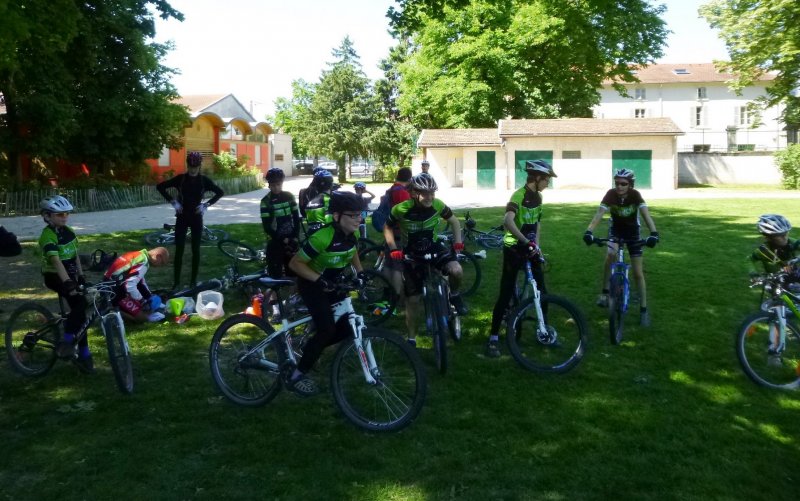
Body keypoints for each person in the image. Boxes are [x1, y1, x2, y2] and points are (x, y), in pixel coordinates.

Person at [287, 191, 367, 396]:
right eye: (354, 215)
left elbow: (352, 252)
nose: (360, 219)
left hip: (332, 283)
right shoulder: (322, 238)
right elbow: (295, 263)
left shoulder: (353, 234)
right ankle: (297, 374)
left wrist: (360, 273)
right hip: (311, 284)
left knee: (348, 327)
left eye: (360, 214)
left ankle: (311, 347)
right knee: (327, 330)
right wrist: (319, 279)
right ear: (338, 216)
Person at [383, 172, 465, 347]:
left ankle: (455, 296)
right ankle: (411, 338)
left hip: (435, 248)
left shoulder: (438, 205)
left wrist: (458, 242)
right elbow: (387, 228)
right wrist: (393, 249)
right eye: (425, 193)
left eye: (432, 193)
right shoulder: (401, 209)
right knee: (413, 300)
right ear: (414, 193)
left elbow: (455, 222)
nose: (430, 197)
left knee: (456, 270)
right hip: (412, 254)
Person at [486, 160, 556, 358]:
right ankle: (493, 338)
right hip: (514, 249)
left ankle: (544, 330)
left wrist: (537, 246)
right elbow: (507, 221)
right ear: (537, 178)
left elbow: (537, 223)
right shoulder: (518, 195)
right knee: (506, 294)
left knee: (542, 290)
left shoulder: (539, 197)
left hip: (530, 248)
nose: (548, 183)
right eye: (547, 179)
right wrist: (526, 241)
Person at [583, 168, 659, 327]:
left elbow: (646, 214)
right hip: (616, 230)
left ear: (630, 184)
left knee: (638, 273)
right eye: (617, 183)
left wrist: (654, 233)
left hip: (633, 232)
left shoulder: (635, 195)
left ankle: (643, 310)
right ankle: (604, 293)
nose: (619, 186)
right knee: (611, 254)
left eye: (623, 183)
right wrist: (589, 231)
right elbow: (599, 213)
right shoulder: (610, 194)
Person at [37, 195, 93, 373]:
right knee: (80, 304)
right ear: (47, 216)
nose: (64, 217)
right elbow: (56, 262)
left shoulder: (68, 231)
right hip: (54, 276)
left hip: (69, 275)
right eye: (60, 214)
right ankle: (68, 342)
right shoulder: (47, 236)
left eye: (66, 214)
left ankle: (83, 352)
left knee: (81, 314)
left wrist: (81, 276)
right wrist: (68, 282)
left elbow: (75, 255)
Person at [156, 151, 224, 290]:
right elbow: (160, 187)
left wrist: (206, 205)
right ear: (187, 165)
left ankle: (193, 281)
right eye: (191, 167)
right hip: (182, 217)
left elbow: (220, 192)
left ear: (199, 166)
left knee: (195, 250)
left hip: (196, 218)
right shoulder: (181, 179)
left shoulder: (204, 180)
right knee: (179, 250)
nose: (193, 169)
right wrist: (173, 202)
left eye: (195, 167)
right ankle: (176, 283)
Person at [104, 247, 170, 323]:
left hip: (109, 285)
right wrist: (142, 301)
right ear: (158, 256)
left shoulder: (139, 255)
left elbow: (140, 281)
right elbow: (130, 285)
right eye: (162, 263)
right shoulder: (143, 262)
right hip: (113, 291)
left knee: (145, 304)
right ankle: (113, 310)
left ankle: (115, 308)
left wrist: (148, 296)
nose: (160, 266)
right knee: (143, 318)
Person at [260, 168, 300, 278]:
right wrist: (282, 239)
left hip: (291, 238)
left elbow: (296, 218)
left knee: (293, 271)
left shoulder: (289, 196)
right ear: (269, 185)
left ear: (282, 183)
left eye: (278, 184)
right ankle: (275, 291)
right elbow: (267, 226)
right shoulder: (265, 201)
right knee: (275, 273)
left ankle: (292, 292)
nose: (276, 187)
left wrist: (295, 236)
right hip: (275, 240)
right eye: (273, 185)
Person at [304, 169, 335, 234]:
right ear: (331, 184)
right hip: (327, 237)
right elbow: (330, 222)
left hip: (312, 236)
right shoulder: (330, 200)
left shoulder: (310, 203)